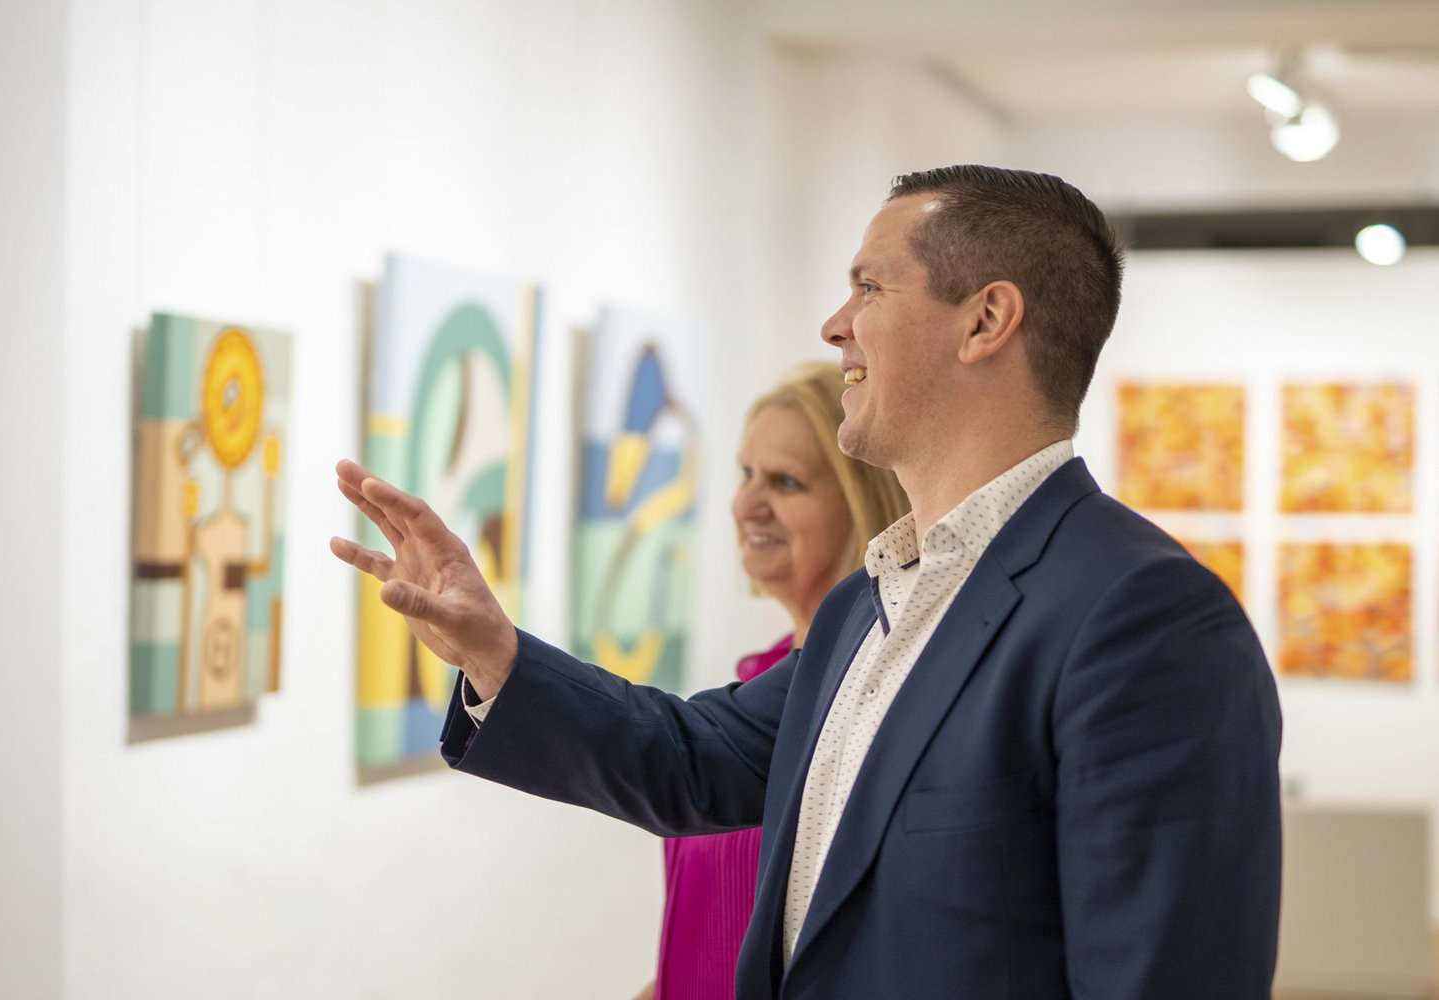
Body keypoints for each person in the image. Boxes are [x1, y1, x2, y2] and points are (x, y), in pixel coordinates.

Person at [331, 165, 1283, 999]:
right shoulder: (871, 602)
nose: (835, 327)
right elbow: (695, 758)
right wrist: (495, 654)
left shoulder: (1144, 618)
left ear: (986, 321)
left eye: (868, 287)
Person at [636, 363, 908, 1000]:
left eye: (786, 482)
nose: (746, 505)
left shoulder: (886, 694)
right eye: (746, 475)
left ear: (862, 502)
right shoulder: (756, 680)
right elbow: (705, 930)